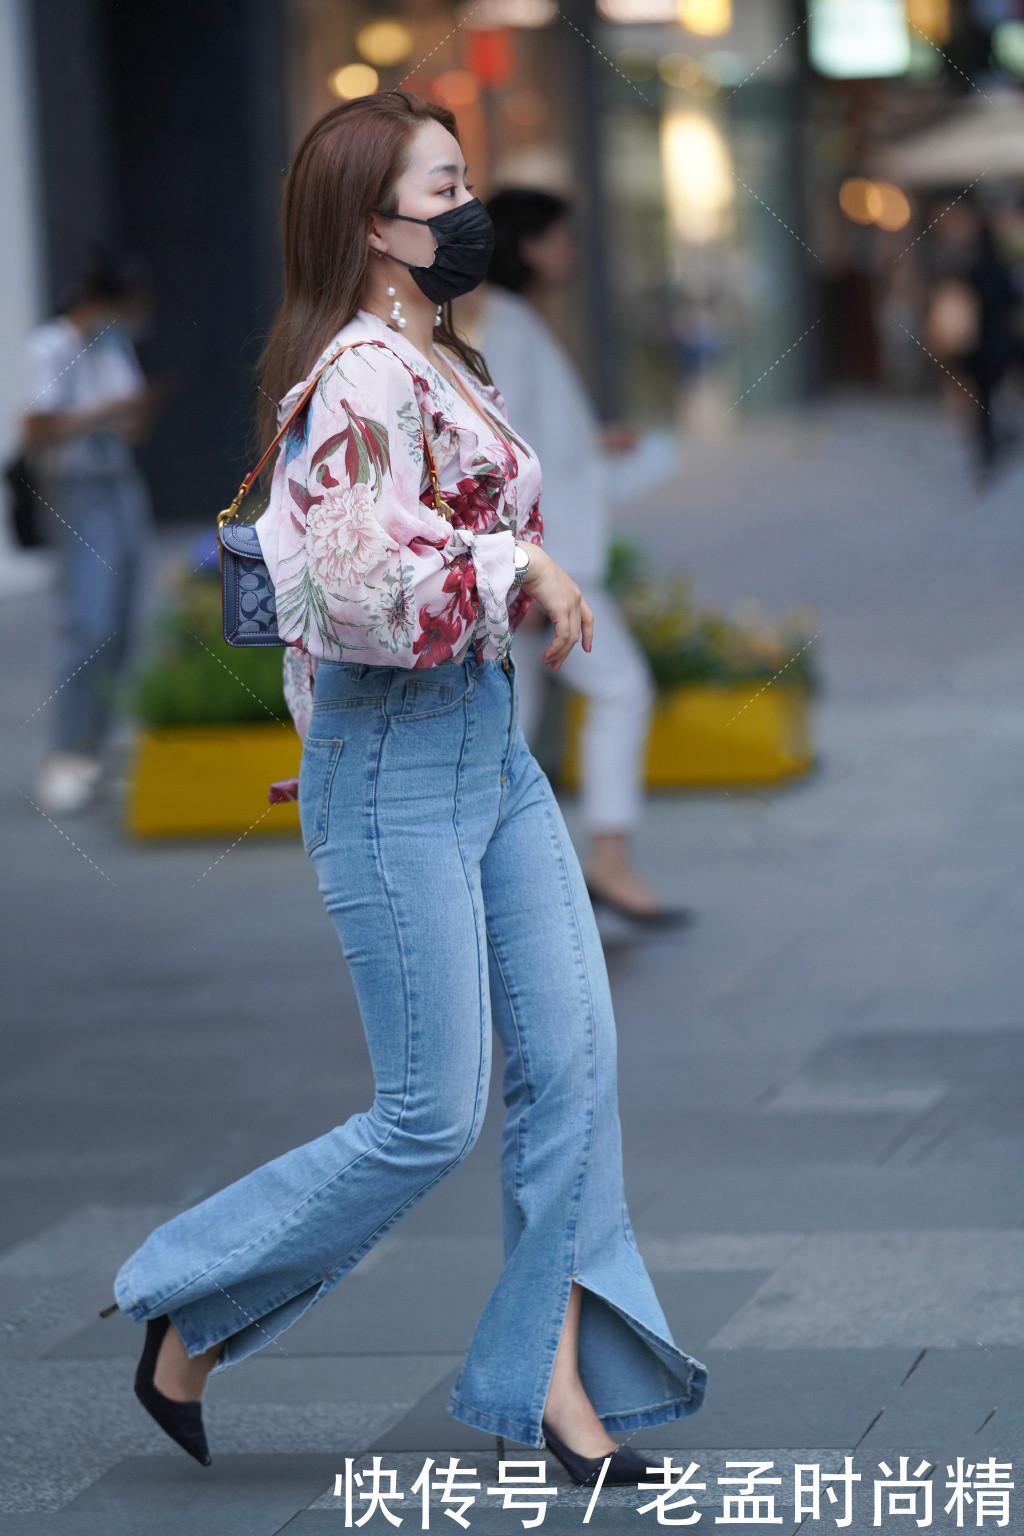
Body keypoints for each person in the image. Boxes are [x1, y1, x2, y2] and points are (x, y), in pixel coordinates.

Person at [101, 91, 707, 1484]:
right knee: (431, 1112)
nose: (468, 208)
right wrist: (521, 567)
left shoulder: (443, 358)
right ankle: (186, 1303)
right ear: (376, 226)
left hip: (489, 754)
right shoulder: (362, 374)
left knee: (573, 1072)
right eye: (444, 189)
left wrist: (519, 566)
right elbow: (369, 589)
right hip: (392, 769)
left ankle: (554, 1389)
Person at [458, 189, 692, 927]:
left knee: (512, 725)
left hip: (533, 559)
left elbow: (518, 437)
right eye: (560, 238)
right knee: (620, 688)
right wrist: (524, 574)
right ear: (527, 244)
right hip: (547, 563)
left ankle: (486, 881)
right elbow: (503, 451)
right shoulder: (513, 322)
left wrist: (593, 443)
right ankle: (609, 858)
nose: (571, 253)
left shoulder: (512, 322)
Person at [17, 248, 161, 815]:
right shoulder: (50, 346)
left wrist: (132, 412)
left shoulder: (114, 346)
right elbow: (36, 424)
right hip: (77, 490)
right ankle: (66, 751)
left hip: (120, 482)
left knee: (124, 622)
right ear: (102, 300)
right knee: (88, 622)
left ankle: (99, 748)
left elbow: (131, 429)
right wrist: (108, 411)